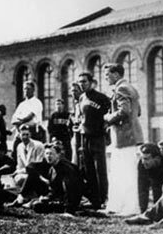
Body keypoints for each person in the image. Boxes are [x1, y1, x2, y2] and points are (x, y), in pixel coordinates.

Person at [103, 63, 143, 215]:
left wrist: (108, 117)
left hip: (124, 137)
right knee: (125, 172)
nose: (106, 78)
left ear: (116, 74)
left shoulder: (121, 88)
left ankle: (128, 208)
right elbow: (138, 111)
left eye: (108, 75)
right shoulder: (131, 87)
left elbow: (124, 111)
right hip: (129, 136)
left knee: (124, 173)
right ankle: (121, 206)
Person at [17, 144, 83, 216]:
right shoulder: (52, 166)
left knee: (38, 207)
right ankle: (22, 199)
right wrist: (47, 196)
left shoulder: (66, 168)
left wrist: (69, 210)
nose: (48, 156)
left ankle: (69, 210)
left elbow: (72, 189)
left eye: (51, 154)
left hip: (65, 201)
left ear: (58, 155)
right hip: (56, 196)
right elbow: (31, 166)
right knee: (37, 204)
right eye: (47, 154)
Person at [77, 72, 110, 210]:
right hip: (85, 136)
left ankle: (103, 198)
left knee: (100, 169)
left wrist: (105, 127)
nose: (82, 84)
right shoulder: (81, 97)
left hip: (97, 136)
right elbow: (81, 116)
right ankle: (94, 199)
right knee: (88, 169)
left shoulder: (101, 98)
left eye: (84, 81)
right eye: (80, 82)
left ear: (91, 82)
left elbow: (109, 113)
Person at [11, 81, 44, 163]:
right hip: (21, 130)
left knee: (33, 151)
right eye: (25, 89)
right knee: (16, 148)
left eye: (28, 89)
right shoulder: (22, 104)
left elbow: (29, 117)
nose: (26, 91)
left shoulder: (37, 102)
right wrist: (17, 123)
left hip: (33, 130)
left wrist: (20, 121)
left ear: (33, 90)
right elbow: (13, 119)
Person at [136, 143, 163, 213]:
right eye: (142, 158)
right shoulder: (142, 164)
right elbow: (142, 189)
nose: (143, 162)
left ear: (157, 159)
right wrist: (143, 211)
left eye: (146, 159)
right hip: (156, 181)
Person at [13, 124, 45, 189]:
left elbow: (38, 165)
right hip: (25, 173)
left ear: (30, 134)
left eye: (27, 134)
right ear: (19, 135)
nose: (25, 137)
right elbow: (20, 165)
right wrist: (17, 172)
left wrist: (20, 171)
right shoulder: (19, 146)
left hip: (38, 174)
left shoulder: (38, 145)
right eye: (23, 135)